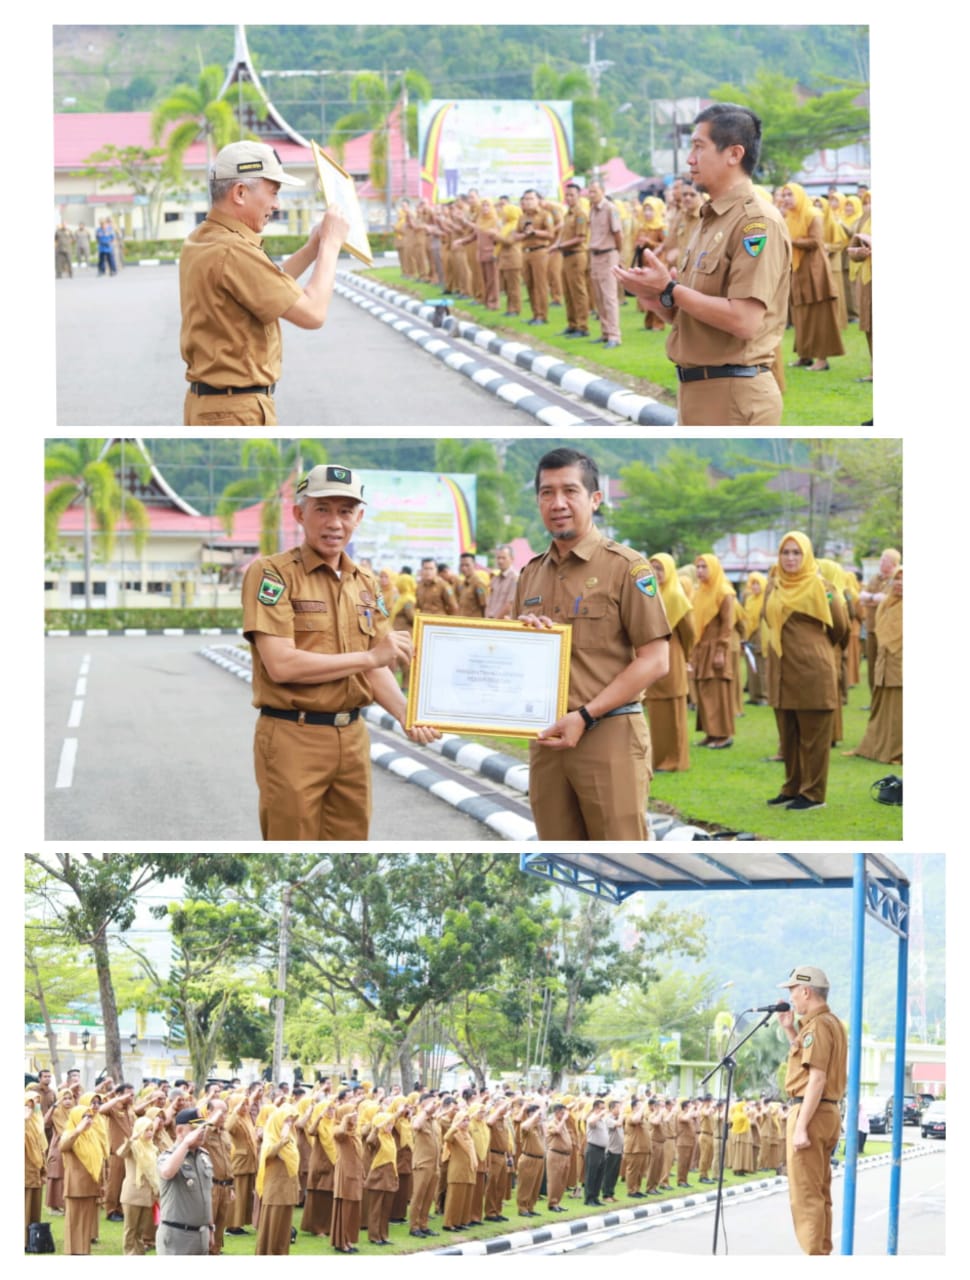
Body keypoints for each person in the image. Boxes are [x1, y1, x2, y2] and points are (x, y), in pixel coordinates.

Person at [242, 465, 440, 840]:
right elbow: (281, 664)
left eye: (346, 511)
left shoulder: (365, 582)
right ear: (299, 514)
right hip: (293, 735)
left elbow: (376, 664)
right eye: (323, 509)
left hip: (352, 737)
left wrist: (406, 715)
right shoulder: (273, 574)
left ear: (358, 518)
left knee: (351, 844)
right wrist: (370, 658)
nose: (335, 522)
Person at [514, 448, 671, 839]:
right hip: (548, 741)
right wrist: (519, 635)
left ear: (595, 499)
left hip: (608, 735)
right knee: (561, 854)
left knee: (620, 853)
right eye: (547, 493)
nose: (558, 503)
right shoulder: (530, 574)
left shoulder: (627, 568)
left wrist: (584, 716)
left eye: (570, 491)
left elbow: (655, 660)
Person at [614, 103, 791, 425]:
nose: (690, 159)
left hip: (734, 393)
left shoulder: (755, 223)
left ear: (734, 154)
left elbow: (744, 321)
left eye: (698, 147)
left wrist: (670, 289)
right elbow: (693, 318)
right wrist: (655, 297)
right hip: (698, 390)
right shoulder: (708, 221)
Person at [179, 140, 350, 426]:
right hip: (235, 409)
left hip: (216, 405)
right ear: (240, 193)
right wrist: (331, 245)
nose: (276, 204)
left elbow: (267, 285)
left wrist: (312, 248)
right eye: (273, 192)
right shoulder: (233, 249)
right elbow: (313, 313)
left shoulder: (205, 238)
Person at [763, 533, 848, 810]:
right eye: (785, 552)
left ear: (807, 555)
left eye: (796, 553)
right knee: (788, 736)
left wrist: (814, 648)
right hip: (782, 670)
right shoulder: (774, 585)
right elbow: (766, 617)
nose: (790, 558)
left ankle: (813, 794)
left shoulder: (821, 586)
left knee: (814, 736)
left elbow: (840, 626)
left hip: (812, 669)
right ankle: (792, 787)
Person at [776, 965, 847, 1255]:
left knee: (806, 1195)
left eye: (793, 991)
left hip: (811, 1112)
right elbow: (809, 1060)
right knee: (819, 1191)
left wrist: (801, 1127)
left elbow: (816, 1079)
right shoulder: (830, 1023)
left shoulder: (817, 1026)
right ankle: (821, 1253)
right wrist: (789, 1028)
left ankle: (814, 1257)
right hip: (826, 1112)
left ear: (806, 991)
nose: (791, 998)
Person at [780, 183, 845, 373]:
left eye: (790, 194)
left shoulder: (812, 214)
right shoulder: (790, 217)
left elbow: (816, 241)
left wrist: (791, 241)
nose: (786, 199)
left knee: (819, 314)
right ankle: (805, 355)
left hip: (815, 269)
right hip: (798, 269)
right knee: (801, 314)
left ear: (799, 195)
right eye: (784, 195)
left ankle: (822, 359)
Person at [645, 553, 695, 771]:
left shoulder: (676, 596)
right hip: (651, 657)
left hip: (672, 655)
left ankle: (676, 760)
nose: (655, 573)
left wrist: (686, 656)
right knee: (657, 712)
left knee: (673, 710)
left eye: (660, 568)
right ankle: (659, 759)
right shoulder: (648, 595)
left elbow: (689, 632)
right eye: (652, 568)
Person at [847, 565, 902, 764]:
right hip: (885, 664)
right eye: (897, 579)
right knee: (882, 709)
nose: (900, 583)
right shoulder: (887, 603)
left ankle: (896, 750)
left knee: (899, 711)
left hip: (900, 667)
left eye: (905, 579)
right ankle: (877, 746)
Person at [691, 554, 737, 749]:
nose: (700, 571)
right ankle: (710, 733)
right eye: (698, 567)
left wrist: (720, 651)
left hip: (716, 647)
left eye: (704, 567)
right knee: (704, 691)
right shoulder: (700, 592)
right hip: (702, 647)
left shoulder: (724, 592)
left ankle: (723, 735)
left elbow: (727, 625)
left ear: (714, 568)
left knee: (718, 692)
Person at [156, 1108, 214, 1256]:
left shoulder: (203, 1156)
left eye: (204, 1127)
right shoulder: (167, 1156)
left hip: (201, 1234)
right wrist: (186, 1144)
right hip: (177, 1235)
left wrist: (210, 1228)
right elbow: (167, 1172)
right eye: (195, 1129)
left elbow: (206, 1195)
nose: (202, 1132)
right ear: (180, 1131)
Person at [254, 1105, 300, 1254]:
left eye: (291, 1121)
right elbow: (269, 1154)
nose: (289, 1124)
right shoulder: (271, 1138)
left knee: (284, 1230)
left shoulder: (290, 1139)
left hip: (288, 1190)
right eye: (286, 1120)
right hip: (276, 1192)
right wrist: (282, 1139)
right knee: (273, 1227)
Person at [551, 182, 590, 337]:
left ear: (578, 196)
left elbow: (580, 238)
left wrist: (560, 246)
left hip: (576, 255)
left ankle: (582, 326)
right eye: (566, 195)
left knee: (578, 292)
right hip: (566, 256)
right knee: (567, 291)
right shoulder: (568, 214)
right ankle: (572, 324)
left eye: (572, 195)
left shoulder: (581, 214)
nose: (568, 198)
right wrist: (558, 245)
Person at [587, 182, 623, 347]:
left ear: (602, 191)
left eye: (594, 191)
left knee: (609, 297)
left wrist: (617, 253)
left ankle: (614, 336)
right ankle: (605, 332)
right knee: (599, 297)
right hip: (595, 255)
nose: (591, 194)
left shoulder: (610, 208)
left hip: (608, 254)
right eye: (589, 192)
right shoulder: (592, 210)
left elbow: (618, 233)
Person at [484, 545, 518, 620]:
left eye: (503, 558)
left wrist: (496, 620)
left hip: (501, 622)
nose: (500, 561)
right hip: (489, 620)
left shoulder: (515, 579)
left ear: (512, 559)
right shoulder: (494, 578)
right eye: (498, 558)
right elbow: (488, 601)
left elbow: (510, 605)